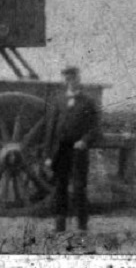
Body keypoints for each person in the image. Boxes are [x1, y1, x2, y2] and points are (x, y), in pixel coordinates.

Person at [45, 66, 101, 233]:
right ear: (65, 81)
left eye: (73, 78)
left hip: (78, 150)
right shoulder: (59, 101)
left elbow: (95, 127)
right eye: (67, 78)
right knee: (60, 187)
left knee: (79, 188)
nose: (70, 81)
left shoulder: (87, 102)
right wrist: (48, 155)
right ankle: (59, 225)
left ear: (79, 79)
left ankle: (82, 225)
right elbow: (51, 129)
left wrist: (84, 141)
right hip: (61, 150)